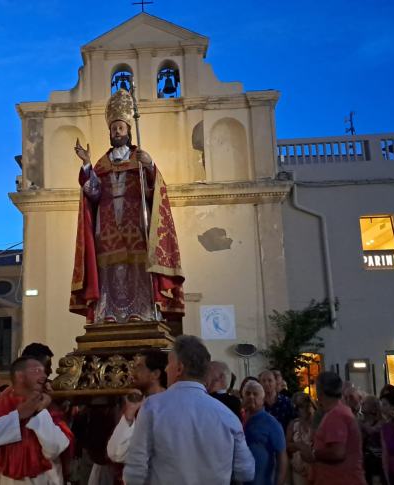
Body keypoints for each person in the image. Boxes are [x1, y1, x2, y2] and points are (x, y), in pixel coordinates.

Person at [70, 88, 185, 324]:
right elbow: (93, 193)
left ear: (129, 131)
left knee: (136, 268)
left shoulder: (140, 159)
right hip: (108, 223)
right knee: (109, 269)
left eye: (120, 128)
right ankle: (108, 312)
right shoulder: (102, 164)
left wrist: (150, 165)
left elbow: (155, 190)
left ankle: (140, 312)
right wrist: (87, 165)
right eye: (113, 129)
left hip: (135, 223)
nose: (116, 132)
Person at [123, 335, 254, 485]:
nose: (166, 369)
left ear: (179, 368)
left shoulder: (153, 407)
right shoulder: (227, 416)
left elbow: (134, 473)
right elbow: (246, 471)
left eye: (169, 364)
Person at [0, 356, 72, 484]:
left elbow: (55, 449)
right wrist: (17, 416)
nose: (44, 375)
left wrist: (40, 412)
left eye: (44, 371)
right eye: (37, 371)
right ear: (20, 376)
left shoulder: (51, 409)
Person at [293, 371, 366, 485]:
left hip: (341, 480)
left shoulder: (336, 415)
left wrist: (312, 453)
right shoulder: (340, 411)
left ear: (319, 392)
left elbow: (337, 453)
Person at [106, 350, 168, 466]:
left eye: (139, 368)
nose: (132, 373)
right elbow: (115, 452)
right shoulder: (136, 405)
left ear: (155, 374)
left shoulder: (168, 407)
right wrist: (129, 414)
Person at [242, 380, 288, 485]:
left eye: (255, 394)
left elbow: (281, 456)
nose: (251, 397)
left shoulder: (271, 423)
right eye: (248, 393)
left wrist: (279, 482)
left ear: (263, 399)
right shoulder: (237, 419)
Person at [286, 393, 316, 485]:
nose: (307, 408)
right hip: (299, 470)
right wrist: (299, 446)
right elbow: (287, 446)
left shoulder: (320, 423)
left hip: (317, 469)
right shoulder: (293, 424)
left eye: (308, 403)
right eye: (302, 406)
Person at [358, 396, 384, 485]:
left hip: (378, 461)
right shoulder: (362, 421)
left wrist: (361, 425)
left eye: (365, 403)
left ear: (373, 407)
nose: (361, 404)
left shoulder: (381, 422)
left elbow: (372, 431)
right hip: (365, 461)